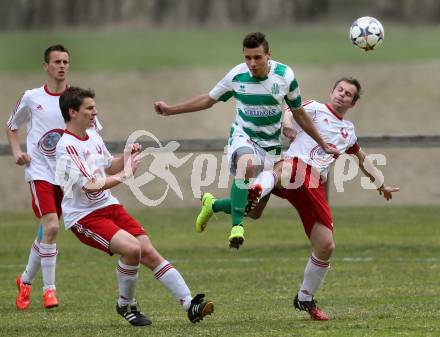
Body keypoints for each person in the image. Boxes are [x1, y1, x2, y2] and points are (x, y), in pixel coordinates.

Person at [154, 32, 338, 249]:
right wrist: (170, 110)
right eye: (247, 57)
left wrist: (323, 144)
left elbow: (299, 113)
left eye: (257, 57)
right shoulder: (237, 76)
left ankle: (212, 205)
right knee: (246, 163)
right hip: (244, 137)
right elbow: (207, 99)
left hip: (271, 147)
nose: (252, 63)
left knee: (254, 209)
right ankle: (236, 228)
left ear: (269, 55)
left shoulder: (285, 76)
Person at [242, 77, 400, 320]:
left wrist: (381, 183)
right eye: (339, 90)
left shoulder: (348, 131)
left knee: (326, 246)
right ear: (332, 91)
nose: (342, 95)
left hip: (314, 184)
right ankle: (258, 189)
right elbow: (288, 109)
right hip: (296, 168)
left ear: (353, 103)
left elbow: (361, 158)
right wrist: (287, 125)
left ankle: (305, 298)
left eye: (348, 94)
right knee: (284, 168)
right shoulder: (315, 108)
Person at [55, 86, 214, 326]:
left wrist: (126, 156)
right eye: (89, 108)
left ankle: (189, 303)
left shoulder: (93, 136)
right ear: (73, 112)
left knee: (147, 251)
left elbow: (109, 167)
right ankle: (125, 304)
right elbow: (90, 185)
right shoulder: (66, 147)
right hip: (84, 216)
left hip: (109, 206)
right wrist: (126, 174)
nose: (95, 112)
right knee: (131, 249)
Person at [5, 44, 78, 310]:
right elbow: (11, 125)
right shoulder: (31, 97)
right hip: (39, 172)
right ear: (45, 66)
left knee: (45, 233)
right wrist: (17, 152)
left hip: (67, 175)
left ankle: (24, 281)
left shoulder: (76, 99)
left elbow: (93, 129)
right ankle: (50, 291)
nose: (62, 66)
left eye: (65, 62)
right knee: (51, 227)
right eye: (56, 61)